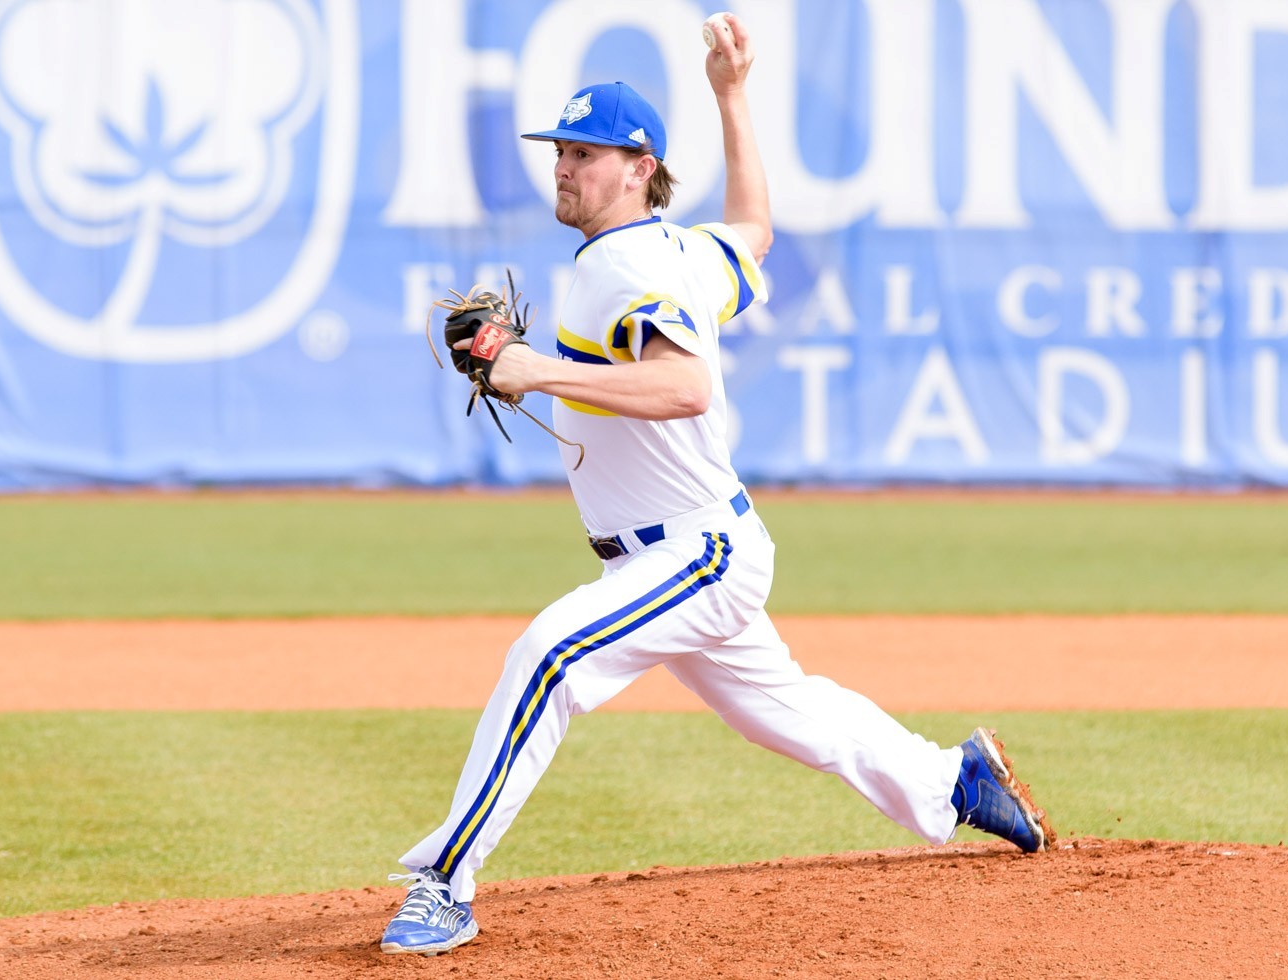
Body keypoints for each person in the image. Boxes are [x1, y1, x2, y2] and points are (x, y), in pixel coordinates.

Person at [381, 13, 1054, 957]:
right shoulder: (678, 250)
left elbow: (684, 385)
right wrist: (733, 96)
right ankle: (955, 782)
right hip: (683, 550)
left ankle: (447, 883)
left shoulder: (629, 263)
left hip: (695, 551)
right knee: (790, 714)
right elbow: (756, 232)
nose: (565, 166)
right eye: (561, 150)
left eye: (586, 151)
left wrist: (540, 370)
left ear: (639, 165)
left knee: (549, 659)